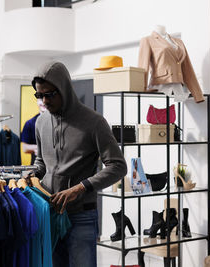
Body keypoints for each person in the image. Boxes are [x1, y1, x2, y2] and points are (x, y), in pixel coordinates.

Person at [31, 62, 127, 267]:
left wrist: (80, 188)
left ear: (64, 89)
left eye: (50, 94)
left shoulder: (94, 122)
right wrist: (32, 174)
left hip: (81, 215)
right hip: (50, 213)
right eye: (40, 96)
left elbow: (118, 166)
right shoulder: (41, 122)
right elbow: (41, 162)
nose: (45, 101)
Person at [20, 99, 46, 165]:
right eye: (41, 99)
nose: (43, 102)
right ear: (37, 101)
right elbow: (25, 148)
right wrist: (41, 149)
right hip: (37, 165)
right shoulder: (30, 123)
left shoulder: (58, 122)